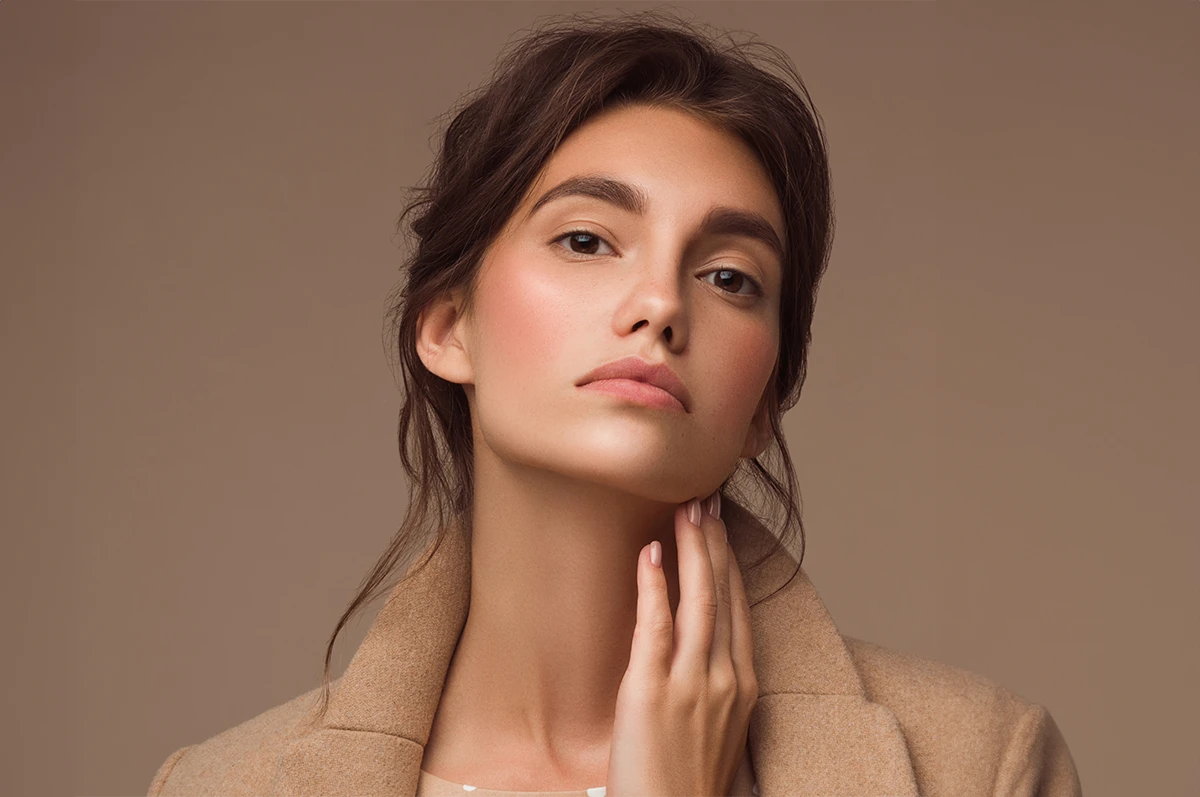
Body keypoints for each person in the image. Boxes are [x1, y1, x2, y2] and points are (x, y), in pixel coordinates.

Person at [146, 11, 1083, 797]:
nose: (663, 303)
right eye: (589, 239)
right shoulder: (215, 785)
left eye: (728, 275)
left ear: (764, 403)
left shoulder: (977, 763)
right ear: (447, 328)